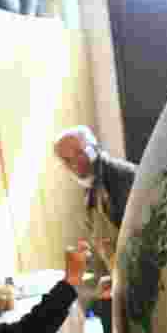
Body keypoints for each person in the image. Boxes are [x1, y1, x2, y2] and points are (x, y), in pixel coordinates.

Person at [54, 125, 136, 302]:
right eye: (66, 159)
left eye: (78, 152)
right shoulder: (92, 191)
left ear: (94, 148)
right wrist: (114, 279)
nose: (74, 163)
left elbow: (143, 245)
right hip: (128, 290)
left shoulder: (122, 179)